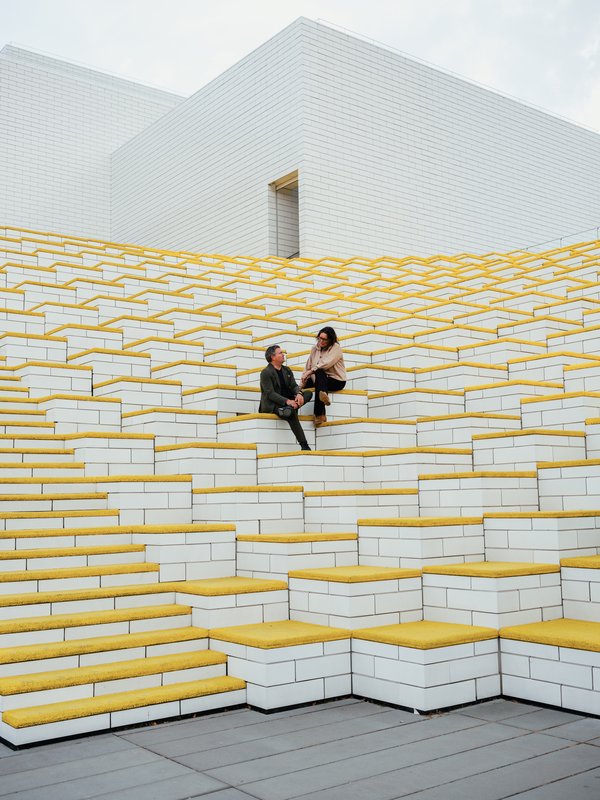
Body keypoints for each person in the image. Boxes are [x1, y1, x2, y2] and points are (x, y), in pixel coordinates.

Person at [259, 344, 311, 451]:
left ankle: (288, 409)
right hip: (274, 404)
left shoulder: (287, 370)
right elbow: (270, 394)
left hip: (290, 402)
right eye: (280, 353)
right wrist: (287, 401)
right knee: (291, 414)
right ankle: (304, 445)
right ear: (273, 357)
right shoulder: (265, 372)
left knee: (308, 393)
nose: (283, 355)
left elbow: (294, 386)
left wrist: (299, 394)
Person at [300, 326, 346, 426]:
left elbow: (326, 363)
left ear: (330, 340)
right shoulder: (314, 349)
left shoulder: (336, 348)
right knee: (307, 385)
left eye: (324, 339)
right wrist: (302, 383)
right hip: (320, 380)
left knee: (319, 371)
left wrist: (311, 371)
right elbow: (308, 366)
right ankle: (323, 396)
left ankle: (319, 414)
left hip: (336, 380)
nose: (321, 341)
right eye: (320, 338)